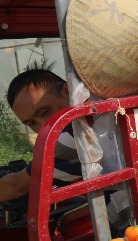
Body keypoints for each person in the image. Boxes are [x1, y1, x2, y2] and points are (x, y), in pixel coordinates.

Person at [0, 69, 81, 202]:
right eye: (31, 123)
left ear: (67, 91)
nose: (43, 126)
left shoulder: (75, 136)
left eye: (44, 112)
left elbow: (15, 187)